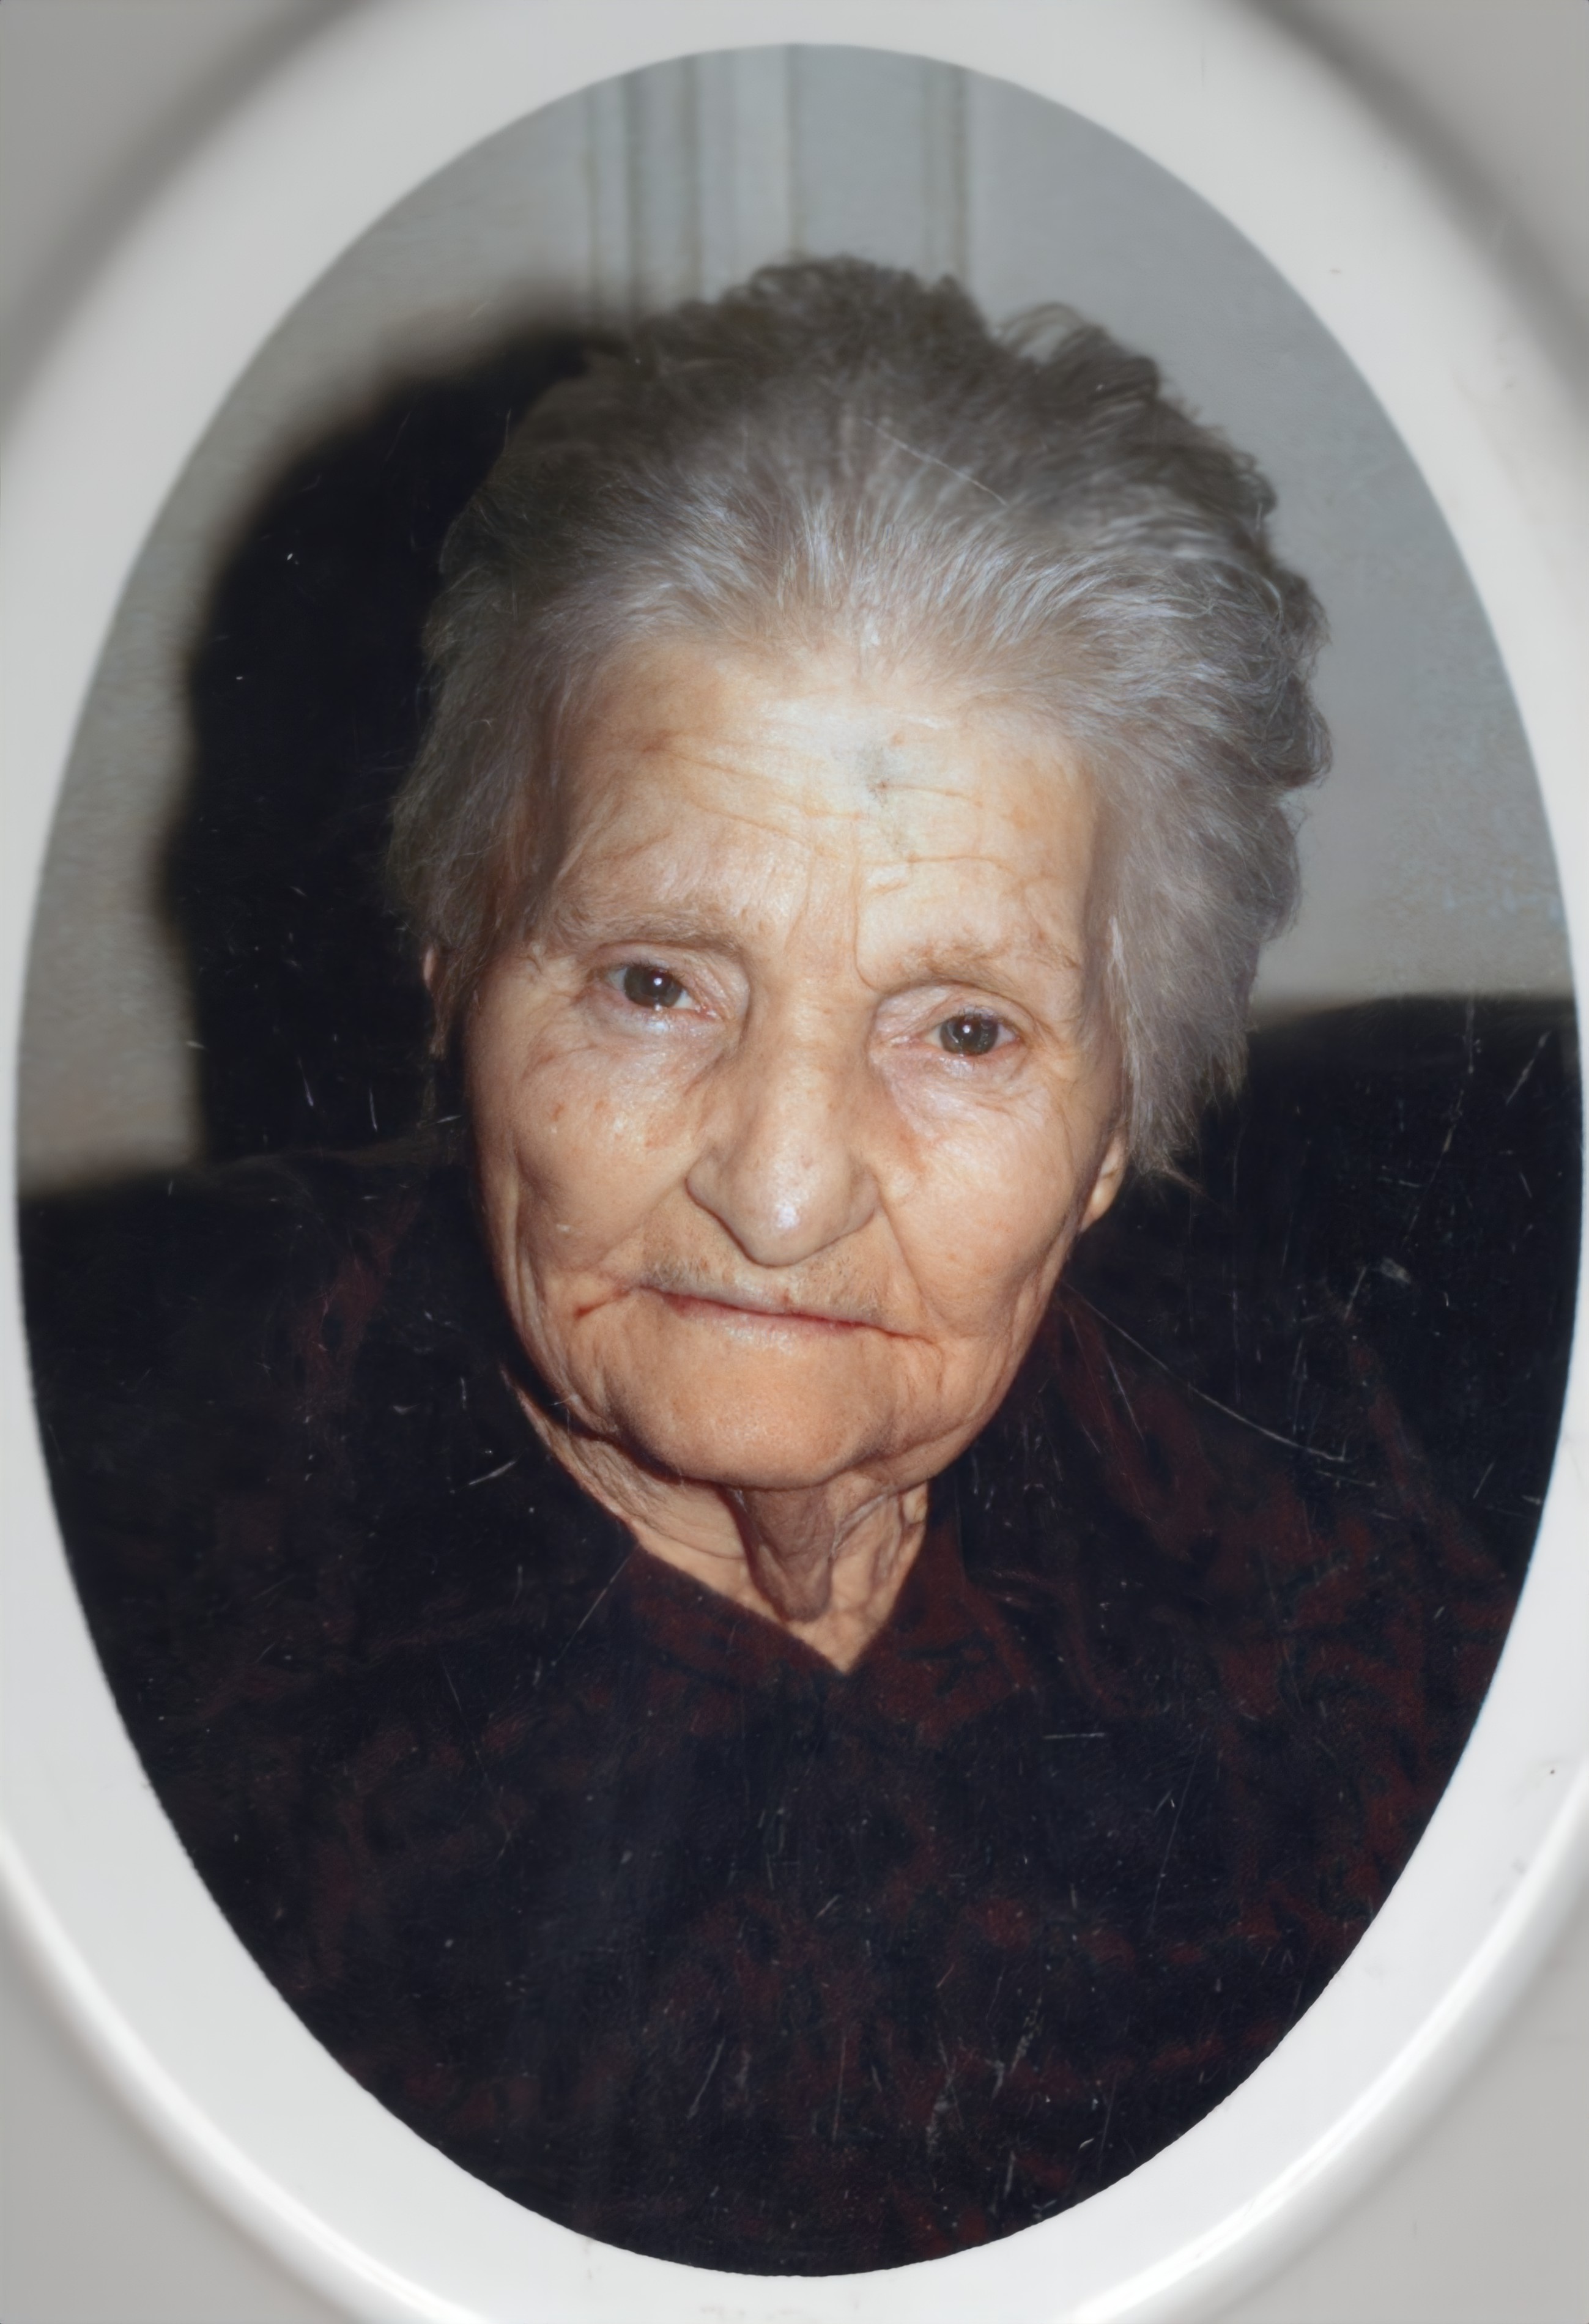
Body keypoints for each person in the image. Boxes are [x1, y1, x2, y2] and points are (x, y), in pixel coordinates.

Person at [25, 261, 1517, 2274]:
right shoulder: (116, 1610)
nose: (787, 1192)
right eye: (655, 983)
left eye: (964, 1030)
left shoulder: (1302, 1510)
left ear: (1116, 1127)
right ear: (457, 987)